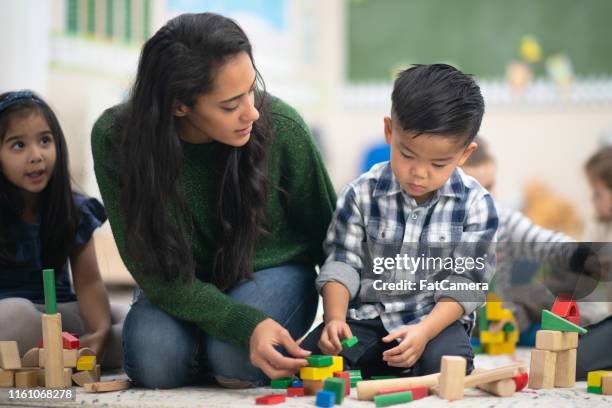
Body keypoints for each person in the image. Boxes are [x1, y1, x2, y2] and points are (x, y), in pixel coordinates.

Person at [91, 13, 336, 389]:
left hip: (273, 272)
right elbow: (153, 269)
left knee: (234, 360)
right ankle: (198, 342)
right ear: (178, 106)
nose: (252, 112)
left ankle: (207, 347)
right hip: (177, 279)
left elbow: (334, 238)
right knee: (156, 364)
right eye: (230, 104)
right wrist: (243, 323)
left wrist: (346, 321)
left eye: (252, 90)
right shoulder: (116, 139)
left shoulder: (283, 128)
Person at [300, 64, 498, 378]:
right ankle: (381, 360)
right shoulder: (361, 193)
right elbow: (342, 262)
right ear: (390, 132)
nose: (419, 172)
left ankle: (401, 361)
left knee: (446, 365)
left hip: (433, 321)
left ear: (464, 153)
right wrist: (335, 318)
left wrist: (424, 331)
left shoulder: (477, 204)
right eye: (407, 154)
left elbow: (467, 285)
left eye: (438, 163)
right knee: (313, 360)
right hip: (366, 318)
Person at [0, 90, 124, 368]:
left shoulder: (73, 208)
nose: (36, 156)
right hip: (12, 316)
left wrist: (100, 331)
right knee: (16, 314)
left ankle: (66, 353)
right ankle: (60, 355)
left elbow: (89, 283)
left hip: (60, 313)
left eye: (45, 140)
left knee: (127, 319)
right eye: (18, 145)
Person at [462, 137, 609, 340]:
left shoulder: (503, 221)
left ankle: (598, 329)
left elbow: (543, 242)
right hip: (460, 319)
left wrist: (580, 255)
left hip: (506, 316)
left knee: (543, 293)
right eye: (474, 190)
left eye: (491, 185)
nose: (487, 197)